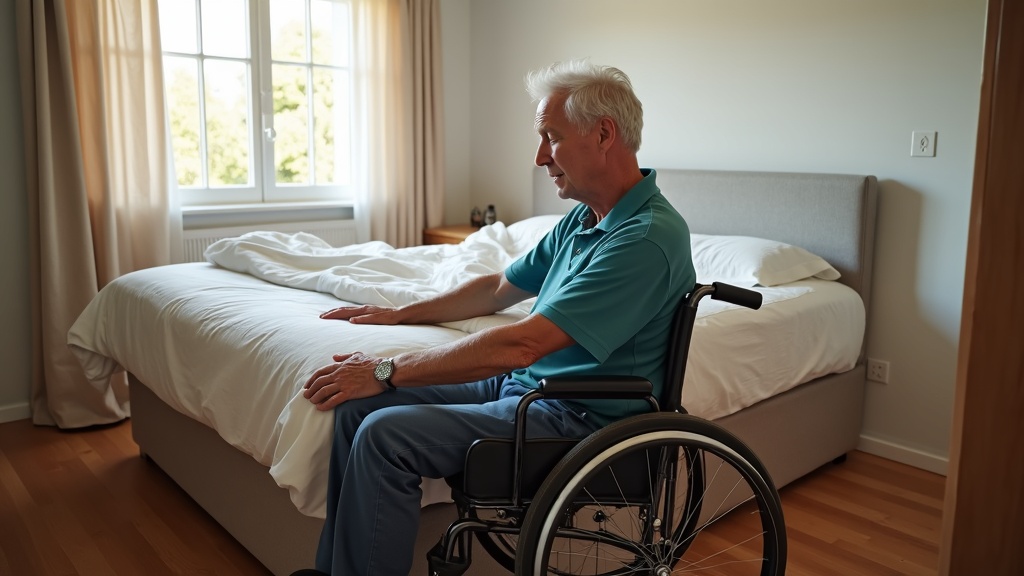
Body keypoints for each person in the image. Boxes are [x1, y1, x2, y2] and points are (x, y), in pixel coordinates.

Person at [293, 59, 696, 576]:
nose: (539, 156)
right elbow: (498, 287)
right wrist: (398, 314)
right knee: (355, 410)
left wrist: (385, 369)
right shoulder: (584, 217)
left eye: (552, 137)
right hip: (526, 392)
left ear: (603, 134)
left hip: (578, 419)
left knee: (384, 434)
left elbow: (522, 345)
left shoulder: (645, 238)